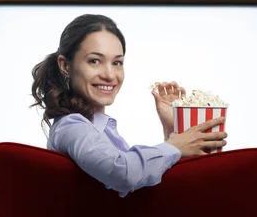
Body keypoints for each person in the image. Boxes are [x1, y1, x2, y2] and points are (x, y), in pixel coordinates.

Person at [30, 14, 227, 197]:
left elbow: (144, 186)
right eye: (95, 61)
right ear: (65, 66)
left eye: (117, 63)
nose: (109, 74)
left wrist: (171, 130)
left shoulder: (101, 130)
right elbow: (123, 173)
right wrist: (173, 145)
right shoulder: (72, 127)